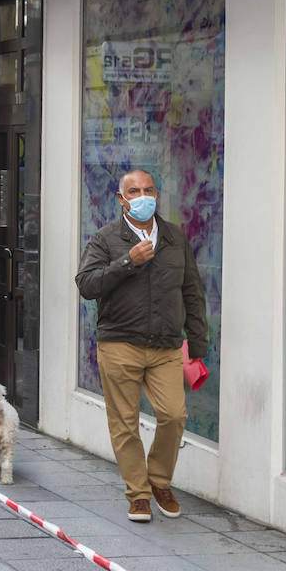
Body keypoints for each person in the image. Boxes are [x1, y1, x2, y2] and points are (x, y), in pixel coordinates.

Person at [75, 169, 209, 523]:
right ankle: (138, 493)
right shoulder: (105, 240)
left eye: (148, 189)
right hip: (120, 343)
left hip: (166, 346)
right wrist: (127, 262)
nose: (143, 196)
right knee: (125, 423)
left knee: (174, 415)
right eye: (134, 191)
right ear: (121, 200)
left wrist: (197, 341)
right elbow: (86, 284)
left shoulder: (175, 239)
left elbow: (192, 292)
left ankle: (159, 480)